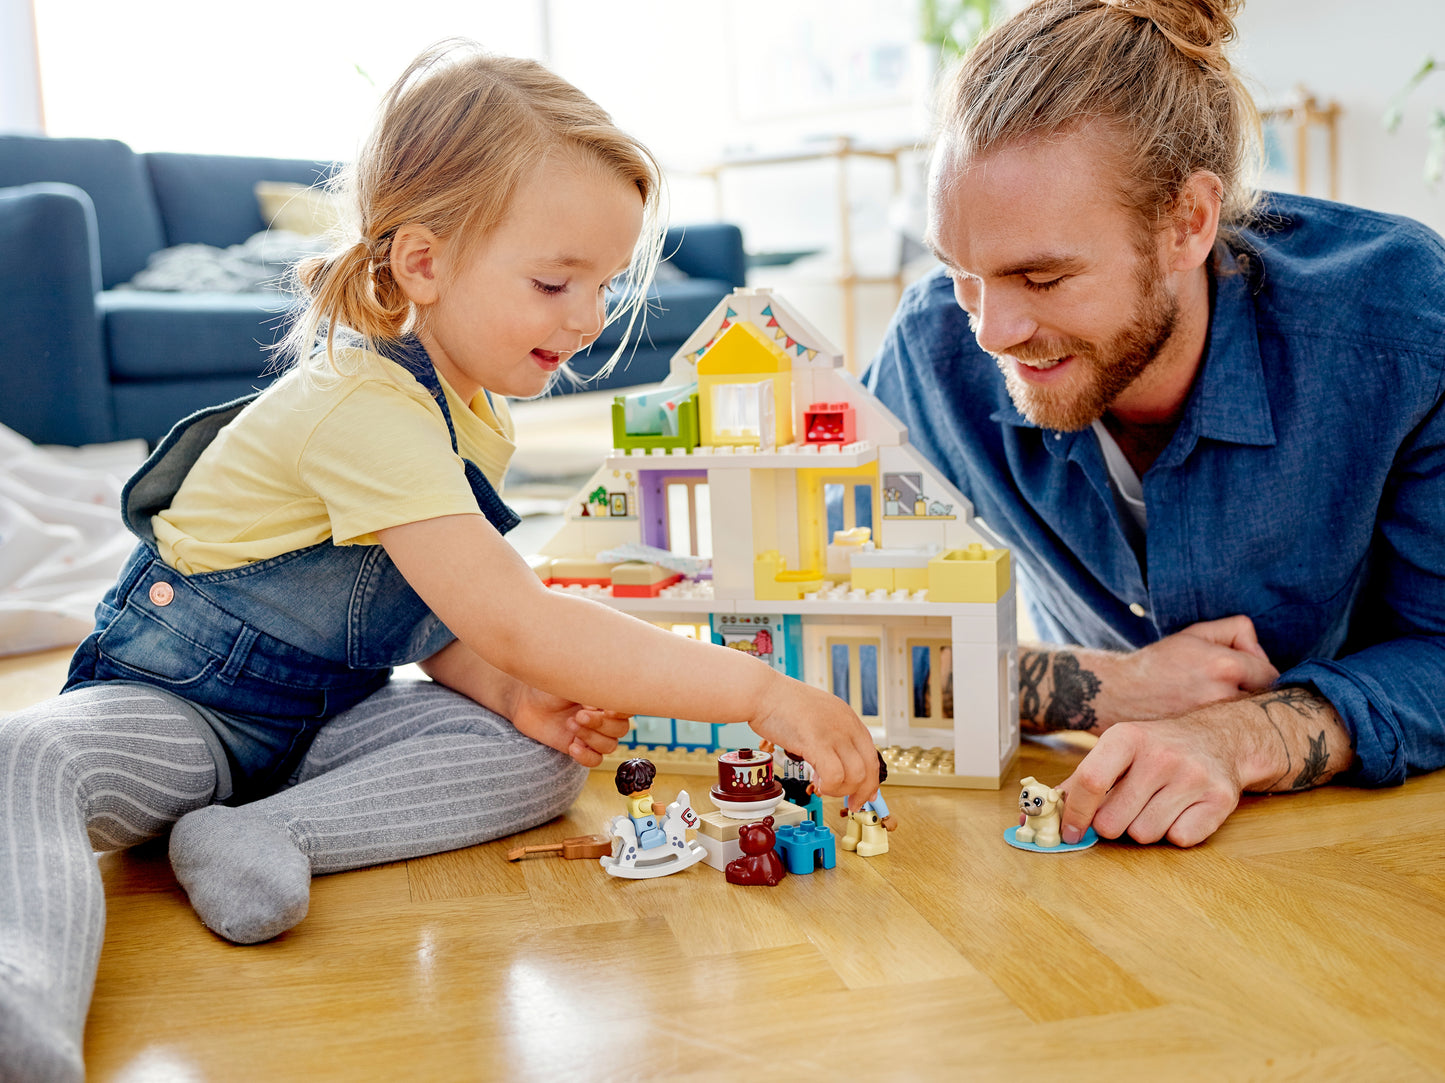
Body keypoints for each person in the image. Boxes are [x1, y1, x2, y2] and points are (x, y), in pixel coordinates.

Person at [0, 41, 878, 1083]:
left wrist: (513, 695)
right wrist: (755, 693)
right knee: (32, 759)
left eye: (602, 285)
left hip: (325, 723)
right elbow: (518, 616)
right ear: (422, 263)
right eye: (557, 281)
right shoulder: (361, 407)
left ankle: (266, 834)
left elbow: (437, 618)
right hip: (180, 709)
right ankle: (22, 1006)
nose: (590, 317)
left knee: (542, 751)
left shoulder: (474, 418)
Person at [866, 0, 1445, 847]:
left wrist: (1242, 735)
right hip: (1104, 852)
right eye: (960, 273)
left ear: (1188, 224)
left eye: (1042, 276)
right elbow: (836, 643)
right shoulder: (931, 352)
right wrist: (1108, 686)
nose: (990, 330)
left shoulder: (1397, 323)